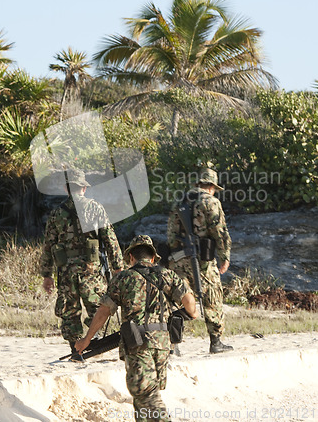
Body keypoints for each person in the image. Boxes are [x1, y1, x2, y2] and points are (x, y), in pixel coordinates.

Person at [75, 235, 197, 421]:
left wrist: (86, 339)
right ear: (153, 257)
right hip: (163, 344)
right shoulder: (168, 274)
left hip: (138, 343)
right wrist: (187, 315)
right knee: (142, 397)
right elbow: (190, 303)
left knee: (146, 393)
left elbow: (103, 312)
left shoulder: (123, 278)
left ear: (131, 257)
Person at [40, 169, 124, 358]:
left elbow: (48, 246)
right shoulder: (96, 208)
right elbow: (110, 239)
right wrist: (117, 267)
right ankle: (92, 342)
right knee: (97, 307)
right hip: (91, 270)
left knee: (69, 311)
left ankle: (74, 348)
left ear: (66, 188)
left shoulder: (56, 214)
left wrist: (47, 275)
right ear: (84, 188)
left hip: (66, 271)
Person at [167, 166, 233, 354]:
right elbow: (220, 233)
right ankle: (216, 341)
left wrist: (174, 257)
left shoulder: (179, 201)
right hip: (202, 260)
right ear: (211, 186)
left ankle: (174, 345)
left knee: (178, 299)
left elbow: (171, 234)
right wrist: (224, 257)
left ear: (198, 184)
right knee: (212, 296)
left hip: (178, 258)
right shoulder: (211, 202)